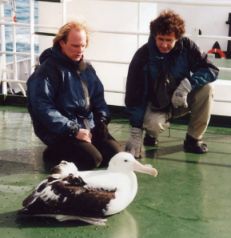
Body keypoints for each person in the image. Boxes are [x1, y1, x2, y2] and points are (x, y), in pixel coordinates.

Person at [27, 21, 121, 170]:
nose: (80, 50)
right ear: (61, 43)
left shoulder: (87, 69)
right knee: (92, 160)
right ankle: (53, 153)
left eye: (83, 45)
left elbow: (98, 99)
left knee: (116, 156)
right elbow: (43, 108)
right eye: (75, 46)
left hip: (86, 127)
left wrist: (101, 122)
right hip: (61, 131)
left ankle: (78, 148)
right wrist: (73, 129)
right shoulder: (46, 71)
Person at [125, 10, 219, 158]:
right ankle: (151, 134)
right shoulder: (142, 56)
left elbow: (211, 70)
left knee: (206, 89)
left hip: (181, 99)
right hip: (157, 105)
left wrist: (187, 85)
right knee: (152, 124)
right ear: (154, 36)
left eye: (169, 40)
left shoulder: (187, 47)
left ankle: (193, 139)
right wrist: (135, 132)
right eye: (160, 39)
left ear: (178, 38)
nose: (164, 44)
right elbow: (134, 96)